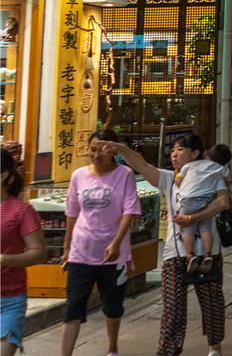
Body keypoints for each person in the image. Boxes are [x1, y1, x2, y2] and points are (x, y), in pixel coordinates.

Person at [102, 135, 229, 356]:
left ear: (196, 153)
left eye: (180, 150)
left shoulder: (212, 174)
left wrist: (191, 219)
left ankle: (214, 347)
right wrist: (121, 148)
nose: (174, 154)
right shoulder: (170, 179)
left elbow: (223, 202)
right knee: (172, 308)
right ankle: (168, 351)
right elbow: (142, 165)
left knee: (212, 304)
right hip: (175, 253)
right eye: (172, 151)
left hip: (208, 253)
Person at [61, 129, 142, 356]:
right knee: (73, 308)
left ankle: (112, 348)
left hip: (113, 255)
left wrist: (117, 242)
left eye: (101, 150)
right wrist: (67, 248)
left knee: (113, 306)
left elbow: (129, 210)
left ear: (112, 150)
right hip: (81, 252)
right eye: (92, 150)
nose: (96, 155)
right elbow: (72, 213)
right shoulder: (78, 175)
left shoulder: (124, 174)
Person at [1, 148, 45, 356]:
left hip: (9, 299)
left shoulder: (21, 210)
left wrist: (4, 260)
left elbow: (38, 253)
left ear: (3, 174)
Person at [175, 143, 232, 274]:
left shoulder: (190, 165)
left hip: (188, 199)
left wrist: (180, 178)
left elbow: (178, 181)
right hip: (205, 200)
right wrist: (224, 181)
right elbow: (230, 179)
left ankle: (190, 256)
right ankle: (207, 256)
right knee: (205, 229)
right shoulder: (218, 169)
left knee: (188, 230)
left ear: (205, 153)